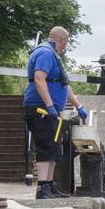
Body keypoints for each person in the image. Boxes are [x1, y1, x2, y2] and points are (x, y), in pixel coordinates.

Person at [23, 27, 89, 199]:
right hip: (40, 108)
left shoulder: (53, 56)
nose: (66, 45)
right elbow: (39, 79)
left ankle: (49, 186)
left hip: (49, 110)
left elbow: (64, 86)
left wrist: (79, 105)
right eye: (66, 41)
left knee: (53, 148)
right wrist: (50, 105)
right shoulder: (45, 53)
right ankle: (42, 189)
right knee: (46, 146)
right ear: (60, 39)